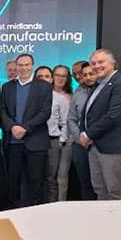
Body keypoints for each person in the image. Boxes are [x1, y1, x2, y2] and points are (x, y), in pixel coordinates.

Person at [0, 54, 52, 207]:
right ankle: (14, 212)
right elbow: (2, 110)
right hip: (13, 142)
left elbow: (45, 112)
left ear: (32, 65)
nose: (24, 68)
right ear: (16, 67)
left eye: (27, 65)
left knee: (35, 181)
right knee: (13, 181)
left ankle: (34, 213)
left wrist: (25, 128)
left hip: (35, 142)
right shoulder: (7, 87)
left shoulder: (44, 86)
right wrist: (12, 126)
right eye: (20, 65)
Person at [79, 49, 121, 200]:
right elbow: (89, 114)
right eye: (93, 63)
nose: (96, 66)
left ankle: (118, 224)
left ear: (112, 63)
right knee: (100, 189)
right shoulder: (99, 84)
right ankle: (103, 223)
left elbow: (114, 116)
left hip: (113, 148)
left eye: (101, 62)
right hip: (95, 146)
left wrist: (88, 134)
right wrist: (84, 132)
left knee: (115, 192)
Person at [40, 66, 72, 202]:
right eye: (40, 77)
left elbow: (65, 121)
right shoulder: (33, 97)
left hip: (53, 141)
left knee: (51, 178)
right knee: (37, 177)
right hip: (35, 141)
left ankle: (52, 207)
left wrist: (62, 139)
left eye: (47, 77)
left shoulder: (60, 98)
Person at [66, 63, 97, 200]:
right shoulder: (78, 95)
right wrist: (80, 138)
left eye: (91, 74)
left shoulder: (105, 93)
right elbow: (71, 119)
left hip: (99, 145)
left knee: (100, 185)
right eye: (85, 75)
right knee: (85, 184)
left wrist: (91, 136)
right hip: (80, 146)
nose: (87, 77)